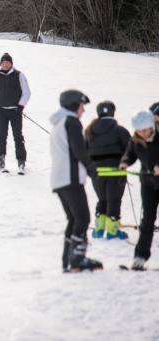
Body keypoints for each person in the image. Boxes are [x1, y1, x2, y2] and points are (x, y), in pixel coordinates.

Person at [49, 89, 102, 272]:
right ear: (74, 105)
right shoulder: (71, 121)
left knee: (73, 219)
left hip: (58, 179)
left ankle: (68, 260)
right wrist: (91, 169)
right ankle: (77, 259)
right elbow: (78, 150)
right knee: (83, 217)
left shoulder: (59, 123)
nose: (83, 110)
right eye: (82, 106)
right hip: (70, 178)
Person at [118, 110, 159, 271]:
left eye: (144, 130)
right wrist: (125, 163)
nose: (142, 133)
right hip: (148, 183)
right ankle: (140, 257)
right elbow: (130, 153)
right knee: (147, 220)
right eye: (139, 130)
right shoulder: (136, 140)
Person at [85, 101, 131, 239]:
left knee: (102, 200)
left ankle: (99, 228)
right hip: (115, 171)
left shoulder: (89, 130)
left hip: (97, 173)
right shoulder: (120, 130)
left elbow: (84, 151)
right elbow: (130, 149)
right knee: (114, 201)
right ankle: (112, 231)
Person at [0, 52, 31, 173]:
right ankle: (0, 159)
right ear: (1, 64)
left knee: (18, 136)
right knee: (1, 136)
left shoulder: (19, 75)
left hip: (15, 111)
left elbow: (26, 92)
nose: (5, 64)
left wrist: (21, 106)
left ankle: (21, 160)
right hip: (1, 111)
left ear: (11, 64)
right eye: (3, 62)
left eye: (7, 62)